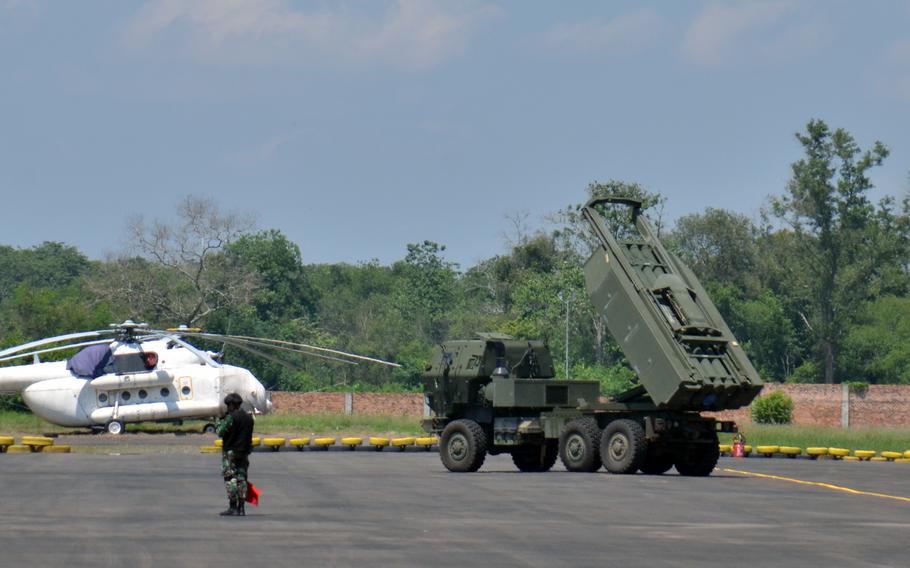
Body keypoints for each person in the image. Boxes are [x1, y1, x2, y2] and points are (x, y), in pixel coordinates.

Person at [216, 393, 254, 516]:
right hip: (244, 452)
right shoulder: (249, 418)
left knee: (230, 478)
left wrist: (218, 419)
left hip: (230, 452)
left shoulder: (231, 417)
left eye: (228, 405)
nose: (228, 408)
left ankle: (232, 506)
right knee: (242, 479)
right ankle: (241, 507)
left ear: (232, 405)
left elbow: (220, 431)